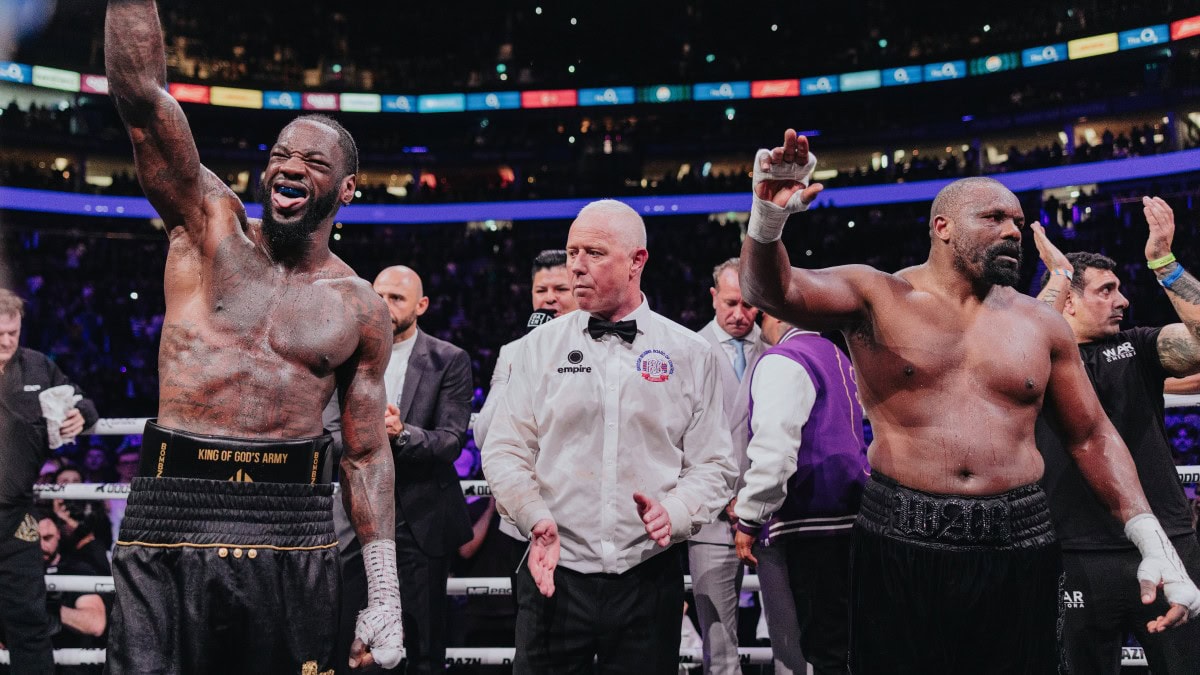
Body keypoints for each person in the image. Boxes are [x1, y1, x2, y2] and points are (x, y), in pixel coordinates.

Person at [740, 129, 1200, 674]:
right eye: (994, 218)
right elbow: (772, 293)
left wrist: (1150, 537)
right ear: (943, 227)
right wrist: (767, 223)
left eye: (1016, 221)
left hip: (1020, 534)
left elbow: (1091, 435)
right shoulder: (878, 295)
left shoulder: (1040, 323)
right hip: (900, 530)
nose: (1012, 231)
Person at [105, 1, 403, 671]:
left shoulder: (359, 307)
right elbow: (142, 99)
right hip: (169, 511)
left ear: (348, 189)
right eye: (280, 155)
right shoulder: (208, 228)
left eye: (314, 161)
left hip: (289, 524)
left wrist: (384, 591)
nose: (289, 167)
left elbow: (364, 453)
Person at [482, 199, 737, 674]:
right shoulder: (538, 347)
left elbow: (715, 464)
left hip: (647, 573)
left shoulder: (690, 352)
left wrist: (676, 512)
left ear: (637, 261)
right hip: (552, 569)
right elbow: (504, 447)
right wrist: (533, 514)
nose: (575, 265)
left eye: (594, 253)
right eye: (571, 250)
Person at [1030, 197, 1200, 674]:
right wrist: (1057, 280)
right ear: (1068, 302)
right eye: (1105, 290)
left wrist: (1164, 262)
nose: (1122, 300)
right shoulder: (1030, 362)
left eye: (1120, 289)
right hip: (1074, 551)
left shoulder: (1138, 346)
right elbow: (1008, 343)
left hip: (1165, 539)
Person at [326, 265, 474, 675]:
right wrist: (371, 434)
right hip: (356, 517)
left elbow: (450, 439)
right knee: (348, 640)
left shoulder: (448, 360)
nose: (385, 305)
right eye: (380, 296)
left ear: (421, 305)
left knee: (423, 642)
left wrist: (402, 434)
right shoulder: (346, 356)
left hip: (421, 518)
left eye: (398, 298)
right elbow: (329, 432)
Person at [733, 313, 868, 675]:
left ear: (773, 312)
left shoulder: (785, 358)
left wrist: (749, 517)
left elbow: (775, 450)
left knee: (822, 651)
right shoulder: (836, 354)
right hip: (854, 515)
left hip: (811, 521)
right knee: (849, 647)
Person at [0, 288, 97, 674]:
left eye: (13, 333)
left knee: (29, 622)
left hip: (15, 517)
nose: (6, 341)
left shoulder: (37, 367)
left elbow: (80, 400)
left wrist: (82, 415)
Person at [690, 257, 761, 675]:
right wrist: (722, 500)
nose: (739, 314)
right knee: (718, 647)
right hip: (711, 520)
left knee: (793, 636)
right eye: (731, 302)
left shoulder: (778, 350)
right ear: (713, 297)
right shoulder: (687, 350)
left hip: (770, 517)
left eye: (749, 305)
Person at [474, 248, 578, 451]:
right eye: (541, 290)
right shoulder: (512, 352)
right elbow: (482, 436)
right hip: (529, 475)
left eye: (561, 289)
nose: (549, 298)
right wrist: (519, 373)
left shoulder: (599, 344)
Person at [36, 510, 109, 675]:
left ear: (59, 535)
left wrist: (49, 609)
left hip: (73, 667)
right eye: (35, 539)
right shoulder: (17, 574)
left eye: (48, 538)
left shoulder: (77, 569)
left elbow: (96, 623)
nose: (42, 546)